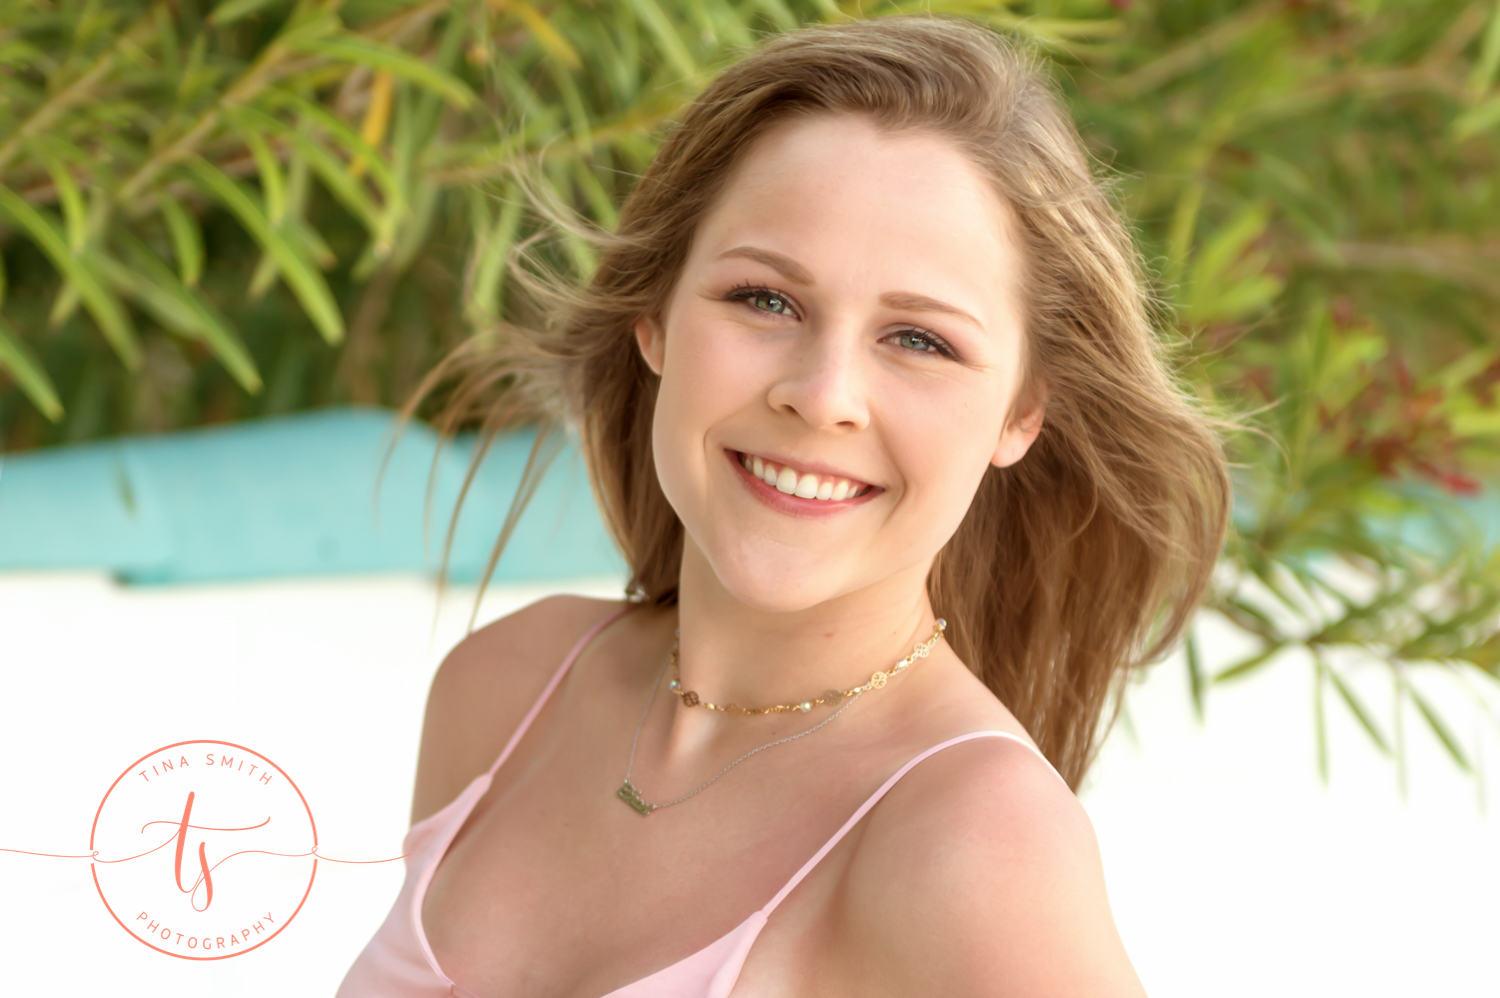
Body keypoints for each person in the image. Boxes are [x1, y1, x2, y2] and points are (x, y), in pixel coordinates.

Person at [337, 15, 1228, 998]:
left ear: (1021, 412)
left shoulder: (976, 843)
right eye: (766, 299)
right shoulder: (506, 687)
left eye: (920, 340)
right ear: (657, 316)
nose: (823, 393)